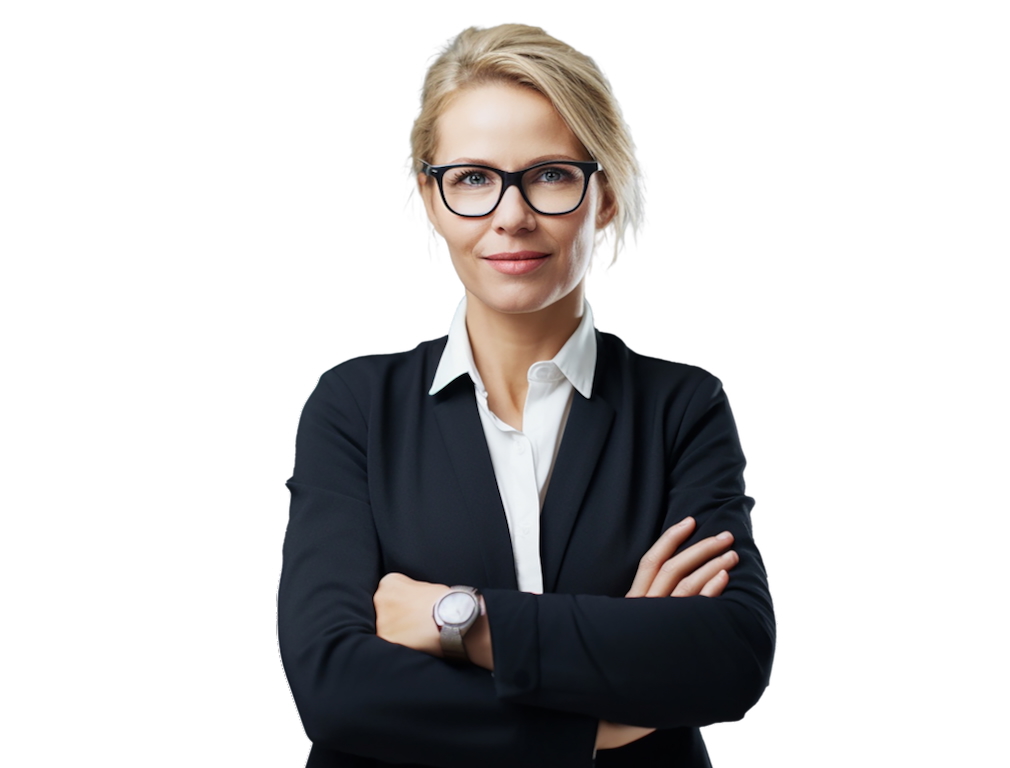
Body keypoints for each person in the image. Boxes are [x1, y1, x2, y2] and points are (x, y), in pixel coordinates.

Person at [279, 23, 774, 768]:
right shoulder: (355, 408)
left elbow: (730, 655)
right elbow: (335, 687)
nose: (511, 215)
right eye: (473, 179)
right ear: (432, 196)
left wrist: (462, 622)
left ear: (604, 195)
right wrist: (602, 705)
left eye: (550, 174)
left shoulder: (681, 407)